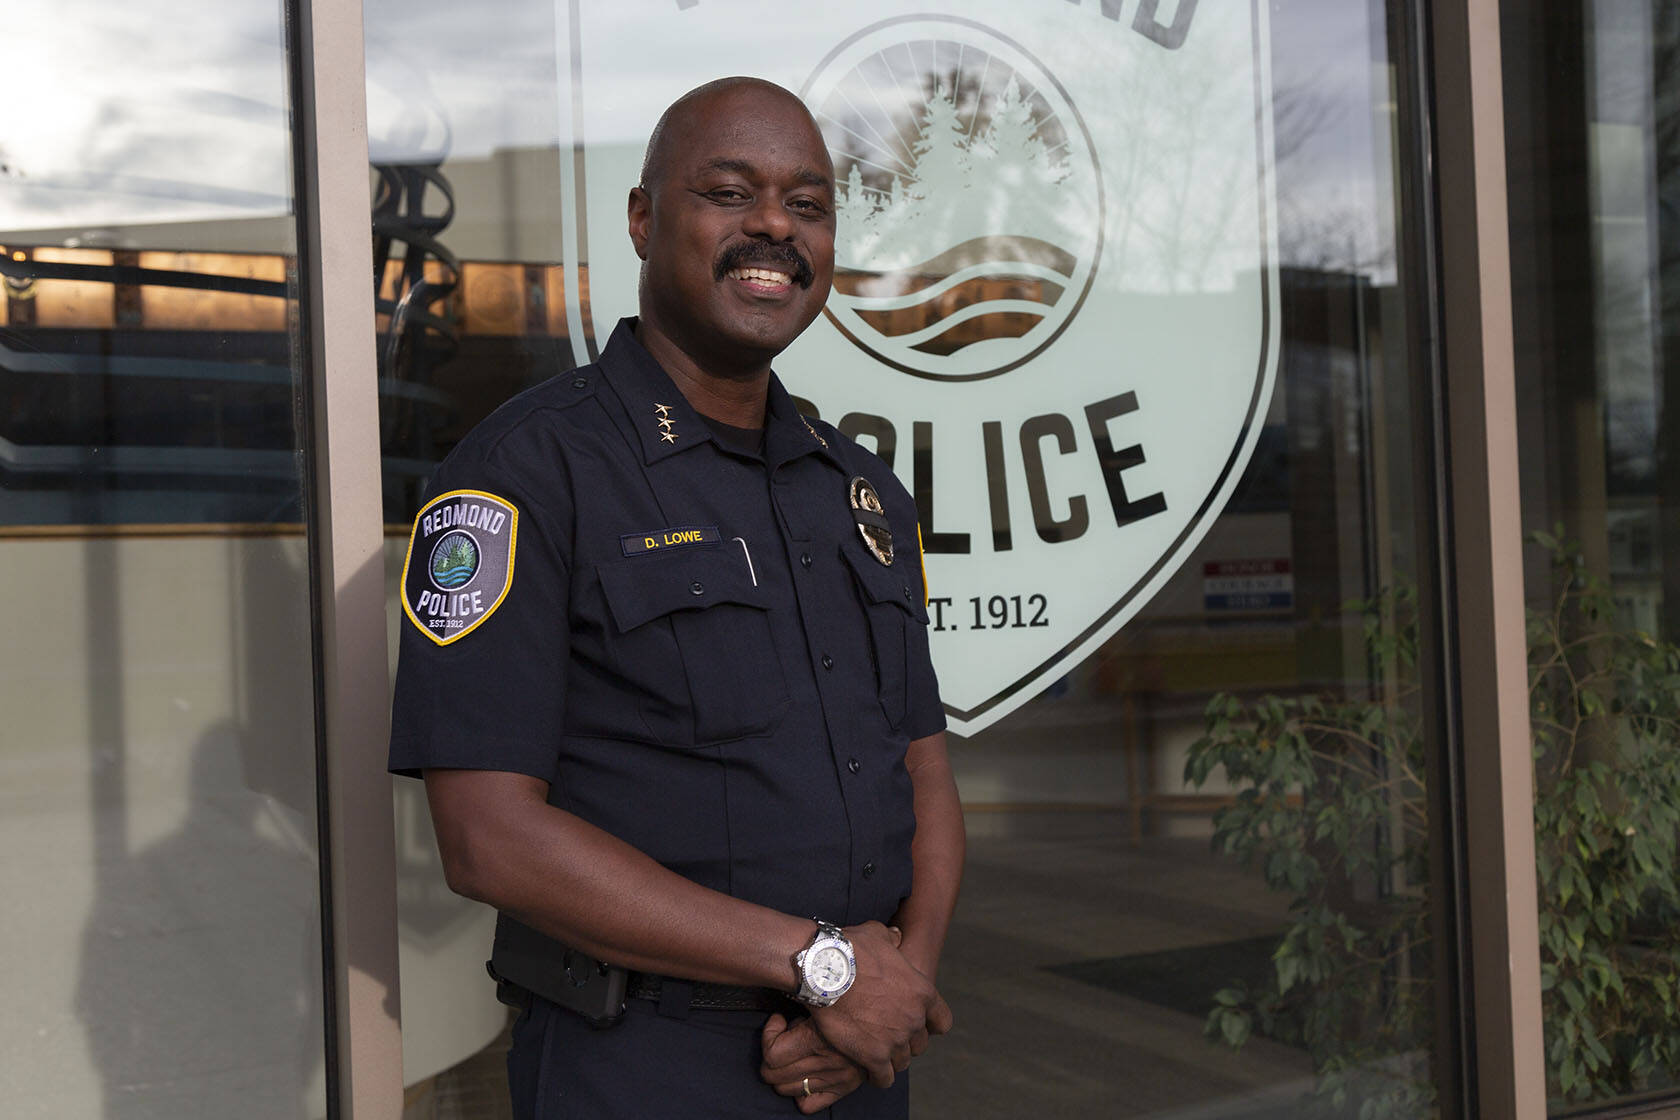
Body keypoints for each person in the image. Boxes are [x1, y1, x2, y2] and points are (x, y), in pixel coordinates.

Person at [387, 76, 965, 1118]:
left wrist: (891, 990)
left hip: (855, 1067)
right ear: (644, 219)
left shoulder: (863, 493)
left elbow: (922, 773)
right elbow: (488, 837)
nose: (774, 227)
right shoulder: (527, 473)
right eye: (730, 192)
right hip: (643, 1065)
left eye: (808, 202)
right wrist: (824, 966)